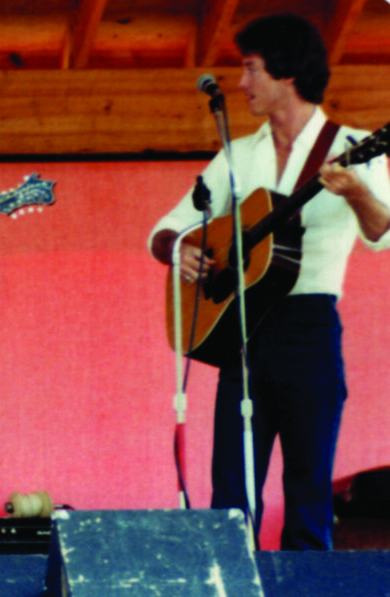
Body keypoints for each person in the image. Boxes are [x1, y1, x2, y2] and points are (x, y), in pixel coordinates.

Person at [149, 14, 390, 550]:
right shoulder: (239, 156)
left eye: (250, 69)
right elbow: (166, 227)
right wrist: (181, 249)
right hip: (243, 330)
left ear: (287, 73)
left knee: (308, 493)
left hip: (310, 329)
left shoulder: (350, 144)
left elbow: (383, 232)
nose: (241, 83)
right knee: (231, 496)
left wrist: (354, 191)